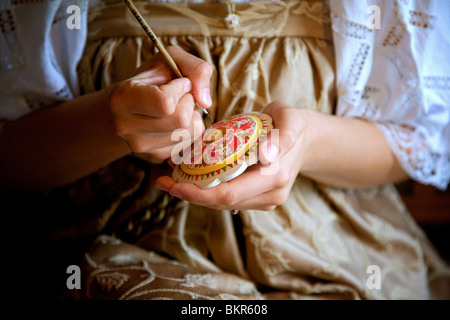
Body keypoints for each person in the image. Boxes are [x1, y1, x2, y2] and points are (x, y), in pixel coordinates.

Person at [1, 0, 449, 300]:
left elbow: (415, 142)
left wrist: (307, 140)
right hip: (116, 245)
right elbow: (11, 161)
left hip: (332, 249)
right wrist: (111, 118)